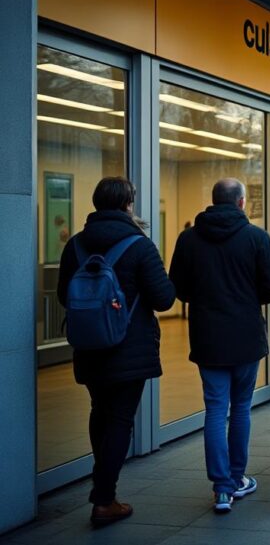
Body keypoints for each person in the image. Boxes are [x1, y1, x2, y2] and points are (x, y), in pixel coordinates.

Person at [57, 178, 175, 527]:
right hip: (128, 346)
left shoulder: (75, 245)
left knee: (100, 411)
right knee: (122, 419)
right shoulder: (139, 245)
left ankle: (103, 485)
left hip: (89, 345)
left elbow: (66, 295)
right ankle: (104, 499)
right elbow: (164, 299)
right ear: (127, 204)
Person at [169, 178, 270, 513]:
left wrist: (205, 299)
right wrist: (251, 298)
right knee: (241, 409)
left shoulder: (189, 238)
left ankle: (221, 489)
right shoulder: (255, 237)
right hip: (246, 336)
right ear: (240, 203)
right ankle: (237, 479)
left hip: (208, 336)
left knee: (215, 409)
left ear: (213, 201)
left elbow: (178, 287)